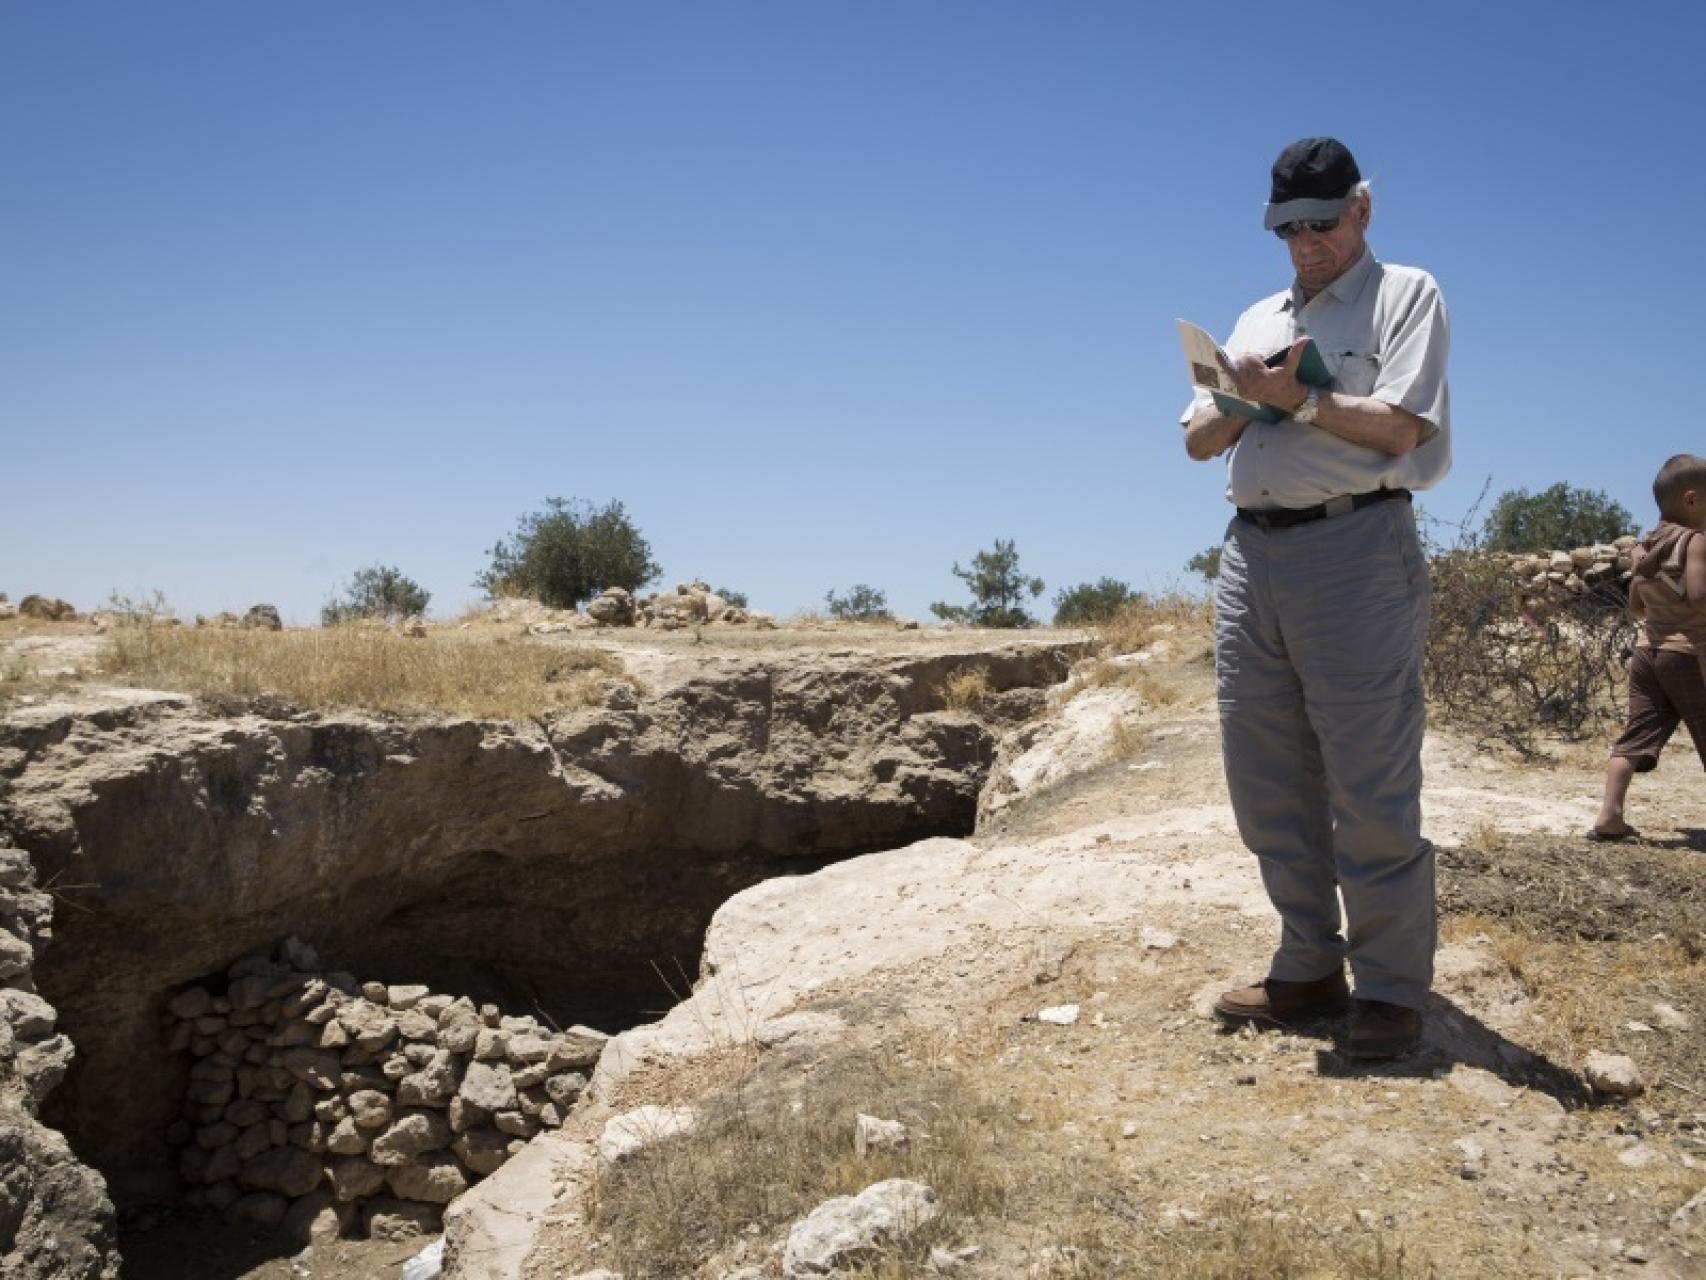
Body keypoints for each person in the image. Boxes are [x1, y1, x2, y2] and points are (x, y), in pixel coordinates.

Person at [1180, 137, 1452, 1059]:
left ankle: (1388, 990)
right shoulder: (1258, 315)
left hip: (1356, 551)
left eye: (1321, 223)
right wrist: (1242, 398)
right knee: (1265, 779)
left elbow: (1401, 426)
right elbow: (1195, 443)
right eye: (1287, 227)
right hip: (1251, 561)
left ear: (1362, 209)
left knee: (1370, 780)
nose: (1304, 243)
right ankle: (1307, 963)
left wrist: (1298, 402)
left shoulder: (1405, 295)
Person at [1590, 454, 1706, 841]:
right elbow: (1700, 597)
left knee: (1635, 735)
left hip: (1646, 653)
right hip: (1689, 655)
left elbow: (1636, 607)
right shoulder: (1695, 542)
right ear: (1692, 500)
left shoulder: (1645, 548)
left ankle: (1609, 816)